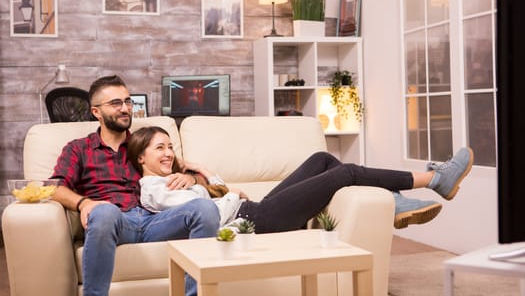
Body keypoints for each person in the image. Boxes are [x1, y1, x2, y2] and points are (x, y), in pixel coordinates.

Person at [50, 75, 220, 296]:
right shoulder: (78, 149)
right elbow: (54, 187)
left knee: (205, 209)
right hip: (115, 220)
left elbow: (197, 176)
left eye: (128, 101)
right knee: (103, 211)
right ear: (96, 112)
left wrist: (192, 179)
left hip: (156, 219)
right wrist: (83, 203)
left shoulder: (145, 144)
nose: (125, 109)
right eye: (115, 103)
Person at [128, 126, 474, 233]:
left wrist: (195, 168)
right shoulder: (154, 190)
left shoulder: (178, 177)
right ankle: (433, 179)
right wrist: (201, 185)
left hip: (253, 208)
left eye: (171, 147)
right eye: (160, 148)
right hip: (252, 221)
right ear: (140, 156)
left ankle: (395, 200)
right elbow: (202, 212)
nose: (169, 153)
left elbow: (220, 188)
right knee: (346, 173)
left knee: (322, 159)